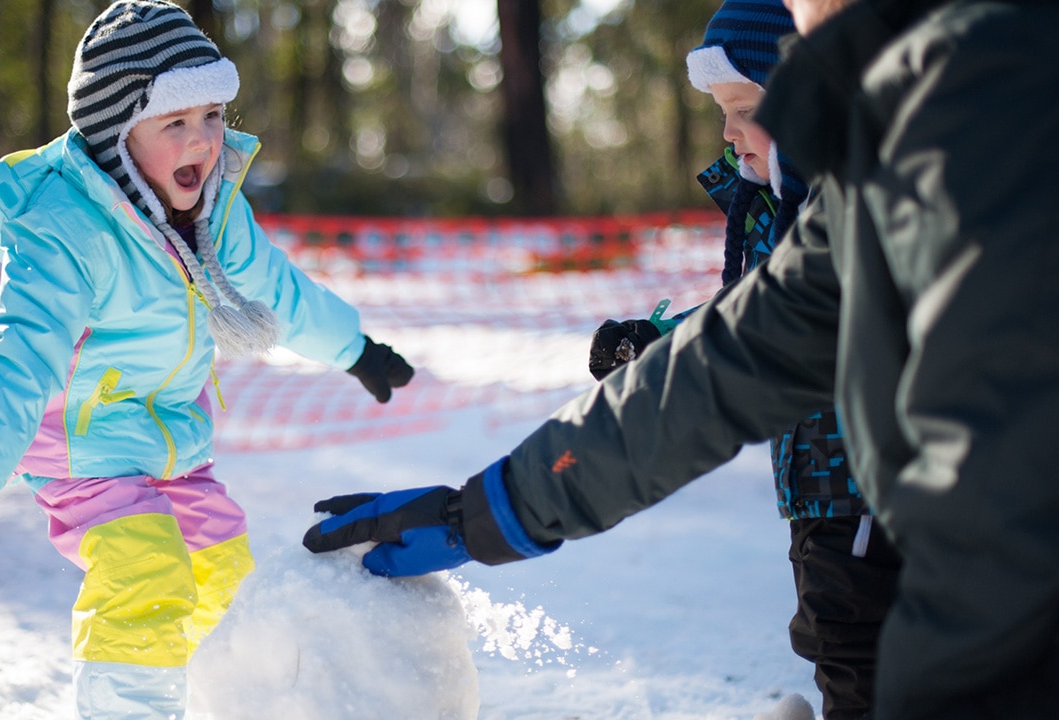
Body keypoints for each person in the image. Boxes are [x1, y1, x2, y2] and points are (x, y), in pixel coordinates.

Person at [304, 0, 1059, 718]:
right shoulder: (877, 184)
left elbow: (998, 513)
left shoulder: (982, 121)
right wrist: (482, 512)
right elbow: (726, 364)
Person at [0, 2, 413, 718]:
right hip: (86, 448)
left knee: (221, 572)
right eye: (175, 123)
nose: (202, 139)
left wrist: (353, 348)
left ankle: (176, 690)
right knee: (147, 578)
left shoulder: (213, 213)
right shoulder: (68, 229)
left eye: (211, 115)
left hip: (172, 443)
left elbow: (275, 288)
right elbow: (19, 356)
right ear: (115, 135)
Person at [589, 2, 900, 718]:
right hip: (822, 490)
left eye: (741, 106)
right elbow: (748, 323)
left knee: (858, 648)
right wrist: (658, 344)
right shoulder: (776, 205)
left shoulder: (852, 205)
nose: (727, 131)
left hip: (869, 489)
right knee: (836, 638)